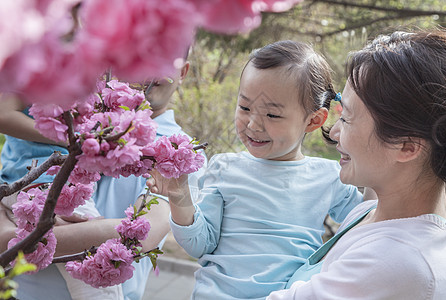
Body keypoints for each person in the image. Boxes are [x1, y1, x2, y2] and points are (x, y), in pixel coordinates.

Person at [147, 40, 364, 299]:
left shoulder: (329, 176)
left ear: (313, 120)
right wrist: (178, 194)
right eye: (245, 107)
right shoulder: (225, 167)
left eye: (272, 115)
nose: (253, 124)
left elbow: (367, 223)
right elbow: (200, 244)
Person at [0, 57, 206, 300]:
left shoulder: (180, 152)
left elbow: (140, 236)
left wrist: (19, 237)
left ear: (183, 71)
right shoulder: (89, 114)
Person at [266, 29, 446, 299]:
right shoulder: (371, 212)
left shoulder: (396, 263)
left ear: (407, 146)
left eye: (347, 118)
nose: (334, 132)